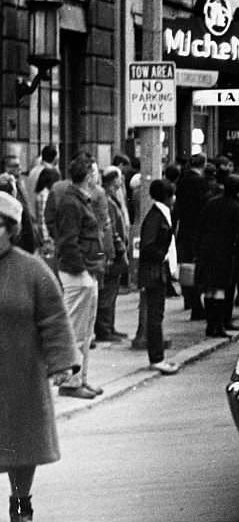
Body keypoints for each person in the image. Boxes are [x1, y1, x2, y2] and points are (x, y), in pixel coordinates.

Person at [0, 190, 80, 522]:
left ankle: (21, 503)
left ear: (11, 229)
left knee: (22, 444)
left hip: (21, 374)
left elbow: (55, 319)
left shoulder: (32, 270)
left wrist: (63, 364)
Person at [52, 153, 105, 399]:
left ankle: (80, 379)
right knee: (76, 328)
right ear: (88, 175)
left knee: (84, 330)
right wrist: (82, 270)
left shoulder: (78, 200)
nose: (97, 175)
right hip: (77, 272)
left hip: (84, 270)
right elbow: (68, 242)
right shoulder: (72, 203)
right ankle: (71, 382)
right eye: (94, 171)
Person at [137, 179, 180, 375]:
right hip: (154, 271)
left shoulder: (160, 215)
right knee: (155, 315)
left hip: (156, 271)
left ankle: (158, 356)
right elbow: (148, 246)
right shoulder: (156, 217)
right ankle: (157, 358)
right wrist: (163, 255)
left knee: (156, 314)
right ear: (168, 197)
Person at [197, 174, 239, 338]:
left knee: (210, 289)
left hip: (208, 251)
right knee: (222, 290)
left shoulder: (212, 203)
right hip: (226, 254)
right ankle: (220, 325)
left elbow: (201, 226)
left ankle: (212, 325)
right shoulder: (237, 208)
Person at [94, 167, 129, 342]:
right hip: (111, 251)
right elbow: (109, 228)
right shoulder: (106, 200)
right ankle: (104, 329)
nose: (121, 181)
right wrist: (110, 251)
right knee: (107, 291)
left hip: (114, 249)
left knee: (112, 290)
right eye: (118, 179)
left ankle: (109, 326)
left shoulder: (112, 198)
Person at [174, 153, 209, 320]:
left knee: (187, 266)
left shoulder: (182, 180)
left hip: (185, 229)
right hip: (197, 231)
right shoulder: (200, 182)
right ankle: (196, 304)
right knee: (197, 267)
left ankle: (189, 299)